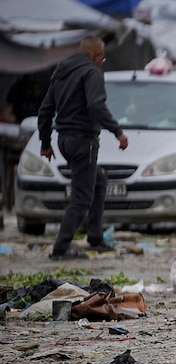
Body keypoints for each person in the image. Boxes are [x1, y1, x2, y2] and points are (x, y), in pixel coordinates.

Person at [38, 36, 129, 260]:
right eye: (103, 58)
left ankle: (95, 237)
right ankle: (61, 247)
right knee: (81, 197)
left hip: (64, 141)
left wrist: (46, 143)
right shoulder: (92, 72)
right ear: (97, 55)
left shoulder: (61, 71)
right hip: (83, 141)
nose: (102, 62)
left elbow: (45, 110)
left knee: (98, 180)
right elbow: (96, 105)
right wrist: (117, 131)